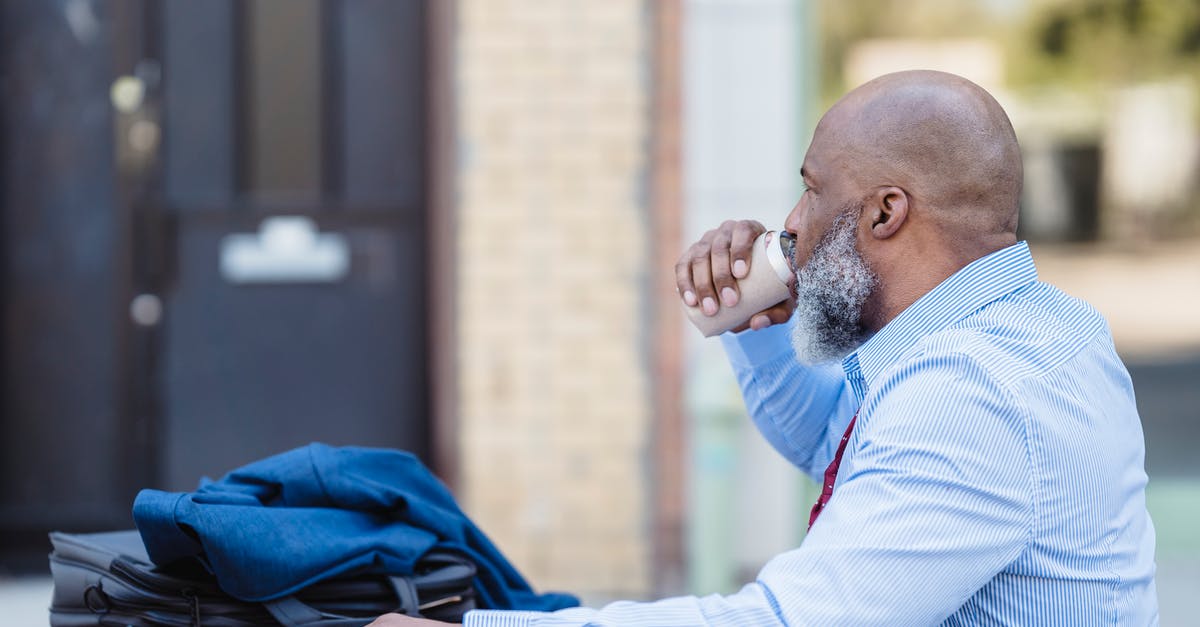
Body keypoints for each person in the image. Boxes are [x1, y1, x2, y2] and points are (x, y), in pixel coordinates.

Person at [370, 69, 1158, 626]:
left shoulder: (972, 391)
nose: (790, 222)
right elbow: (839, 448)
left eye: (813, 189)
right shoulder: (1043, 327)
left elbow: (788, 619)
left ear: (886, 213)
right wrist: (765, 331)